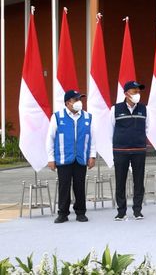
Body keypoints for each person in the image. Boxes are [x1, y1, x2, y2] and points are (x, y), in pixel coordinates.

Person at [47, 90, 96, 223]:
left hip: (81, 158)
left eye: (80, 99)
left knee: (79, 186)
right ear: (68, 102)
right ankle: (63, 213)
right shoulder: (57, 117)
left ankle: (80, 212)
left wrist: (92, 156)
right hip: (63, 158)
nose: (79, 102)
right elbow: (50, 139)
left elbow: (92, 138)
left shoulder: (87, 117)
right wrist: (51, 158)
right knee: (64, 186)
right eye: (76, 100)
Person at [112, 80, 149, 221]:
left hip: (139, 150)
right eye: (134, 91)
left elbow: (147, 128)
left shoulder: (144, 109)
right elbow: (111, 129)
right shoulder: (115, 109)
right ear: (126, 93)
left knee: (138, 181)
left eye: (139, 91)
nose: (137, 94)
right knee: (120, 181)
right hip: (120, 151)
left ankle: (137, 211)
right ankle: (121, 212)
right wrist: (118, 143)